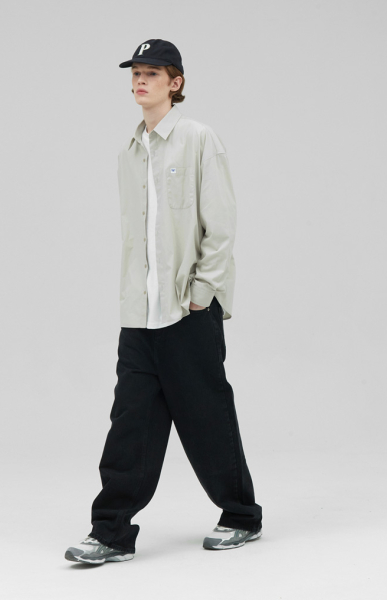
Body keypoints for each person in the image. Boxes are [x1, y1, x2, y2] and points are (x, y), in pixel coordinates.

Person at [65, 38, 262, 565]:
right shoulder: (130, 152)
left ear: (175, 83)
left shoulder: (199, 138)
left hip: (188, 310)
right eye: (135, 72)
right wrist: (133, 302)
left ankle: (241, 516)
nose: (140, 80)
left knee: (206, 417)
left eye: (152, 73)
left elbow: (220, 224)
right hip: (140, 314)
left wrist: (201, 293)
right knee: (130, 422)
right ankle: (110, 533)